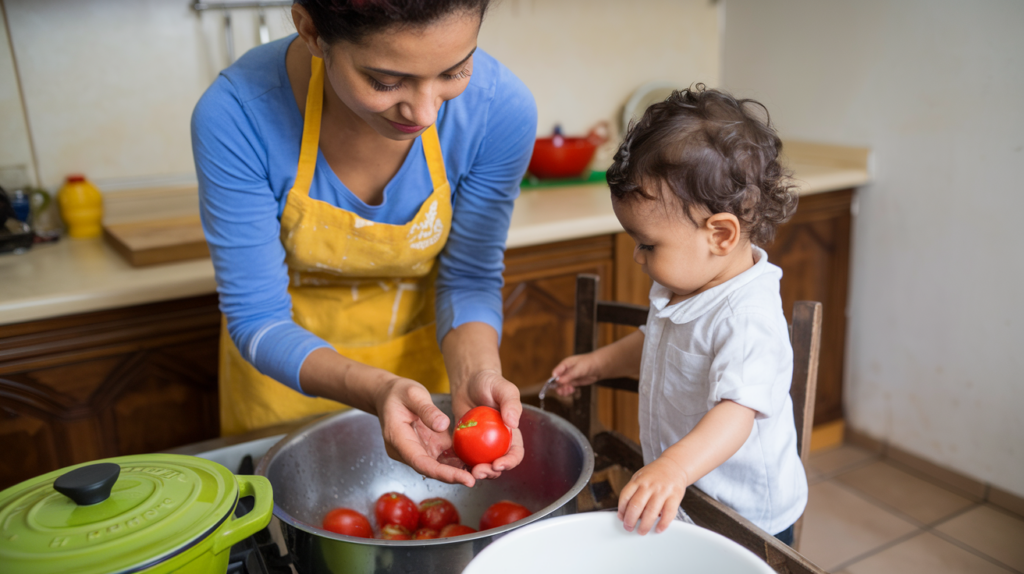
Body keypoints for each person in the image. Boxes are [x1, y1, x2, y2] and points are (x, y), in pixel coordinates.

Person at [191, 0, 537, 488]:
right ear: (310, 29)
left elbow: (469, 277)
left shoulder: (498, 110)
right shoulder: (237, 115)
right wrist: (378, 389)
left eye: (455, 71)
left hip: (421, 379)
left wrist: (474, 375)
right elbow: (257, 317)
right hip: (281, 388)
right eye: (386, 81)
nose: (425, 113)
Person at [550, 85, 807, 543]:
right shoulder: (689, 283)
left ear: (721, 235)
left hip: (745, 520)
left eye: (648, 244)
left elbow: (736, 412)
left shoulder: (746, 317)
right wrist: (598, 364)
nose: (637, 257)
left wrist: (672, 467)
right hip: (690, 494)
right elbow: (656, 339)